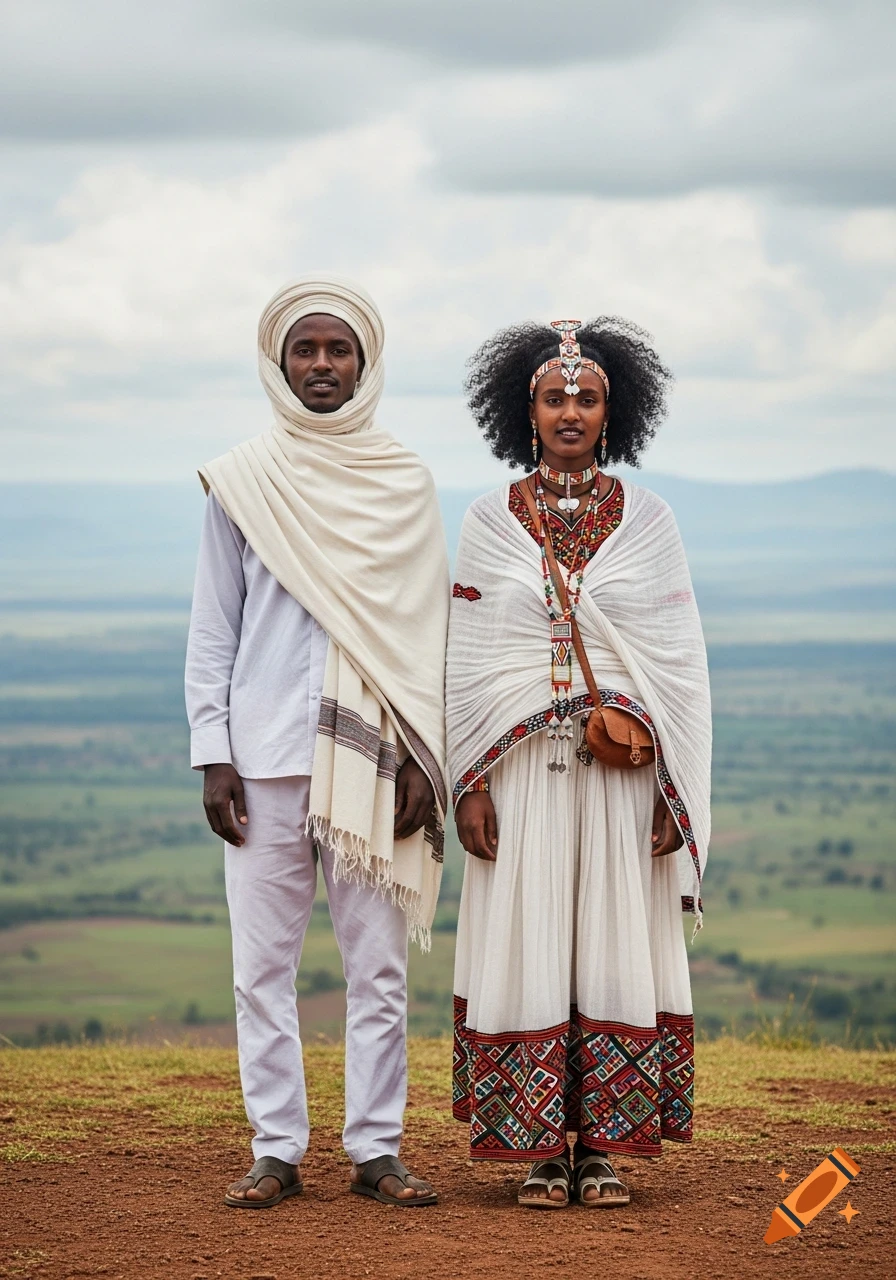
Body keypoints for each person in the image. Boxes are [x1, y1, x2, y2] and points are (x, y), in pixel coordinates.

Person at [185, 275, 448, 1209]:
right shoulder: (242, 480)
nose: (323, 365)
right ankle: (277, 1149)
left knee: (377, 969)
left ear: (366, 363)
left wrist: (424, 756)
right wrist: (212, 751)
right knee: (262, 969)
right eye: (307, 349)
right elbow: (214, 629)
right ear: (278, 362)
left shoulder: (403, 482)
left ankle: (377, 1149)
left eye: (340, 350)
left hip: (375, 759)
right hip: (259, 765)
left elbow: (425, 640)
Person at [448, 318, 711, 1209]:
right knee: (530, 938)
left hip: (622, 773)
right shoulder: (488, 521)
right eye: (554, 396)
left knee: (607, 939)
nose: (571, 411)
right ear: (526, 408)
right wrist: (470, 781)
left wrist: (676, 789)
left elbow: (678, 663)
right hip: (520, 771)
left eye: (587, 397)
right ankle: (534, 1149)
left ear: (613, 412)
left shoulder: (651, 521)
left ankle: (597, 1146)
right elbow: (469, 660)